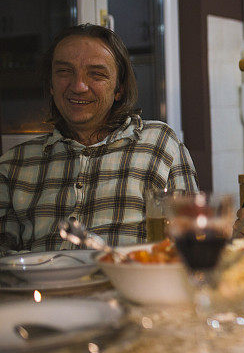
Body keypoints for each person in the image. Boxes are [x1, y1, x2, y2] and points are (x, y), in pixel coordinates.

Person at [0, 24, 198, 253]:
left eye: (96, 74)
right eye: (64, 72)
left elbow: (191, 242)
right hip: (42, 288)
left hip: (130, 287)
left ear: (119, 89)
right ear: (51, 84)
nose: (79, 86)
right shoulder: (13, 164)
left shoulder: (160, 144)